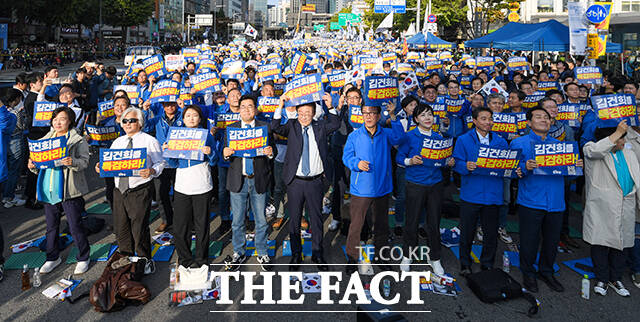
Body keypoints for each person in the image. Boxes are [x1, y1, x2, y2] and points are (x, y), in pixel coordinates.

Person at [510, 107, 583, 293]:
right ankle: (528, 272)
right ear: (528, 122)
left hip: (556, 202)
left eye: (547, 117)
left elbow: (568, 177)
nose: (544, 120)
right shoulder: (519, 142)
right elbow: (511, 172)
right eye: (539, 117)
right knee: (529, 240)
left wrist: (575, 167)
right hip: (531, 201)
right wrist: (524, 166)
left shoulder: (561, 145)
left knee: (551, 241)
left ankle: (546, 271)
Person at [271, 93, 340, 271]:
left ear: (313, 113)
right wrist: (280, 105)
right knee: (294, 219)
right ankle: (296, 254)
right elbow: (275, 126)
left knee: (316, 220)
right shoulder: (292, 126)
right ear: (297, 113)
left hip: (315, 181)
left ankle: (318, 253)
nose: (304, 117)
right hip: (295, 182)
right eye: (301, 113)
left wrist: (330, 106)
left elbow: (336, 124)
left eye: (308, 113)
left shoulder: (320, 126)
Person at [96, 107, 166, 274]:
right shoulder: (118, 142)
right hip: (119, 190)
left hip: (139, 188)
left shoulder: (150, 141)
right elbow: (108, 164)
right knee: (121, 227)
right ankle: (125, 257)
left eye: (131, 120)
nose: (127, 124)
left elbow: (160, 163)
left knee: (139, 226)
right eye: (124, 121)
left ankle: (145, 259)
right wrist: (99, 166)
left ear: (140, 123)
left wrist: (152, 171)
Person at [27, 107, 91, 274]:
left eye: (62, 118)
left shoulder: (78, 140)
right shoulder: (44, 141)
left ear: (70, 121)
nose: (58, 122)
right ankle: (52, 257)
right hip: (49, 189)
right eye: (55, 119)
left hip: (70, 190)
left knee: (74, 225)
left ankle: (83, 257)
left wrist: (72, 162)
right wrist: (32, 165)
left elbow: (84, 162)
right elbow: (39, 166)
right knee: (51, 226)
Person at [342, 104, 403, 275]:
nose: (368, 116)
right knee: (356, 225)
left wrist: (393, 115)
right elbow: (346, 157)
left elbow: (400, 137)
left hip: (382, 188)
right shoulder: (354, 136)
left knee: (381, 226)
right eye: (365, 113)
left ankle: (381, 257)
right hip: (360, 189)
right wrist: (356, 164)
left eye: (372, 113)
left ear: (378, 116)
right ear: (361, 115)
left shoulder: (386, 134)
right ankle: (352, 257)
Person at [396, 103, 453, 274]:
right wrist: (410, 161)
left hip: (435, 184)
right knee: (412, 222)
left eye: (429, 114)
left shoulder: (438, 136)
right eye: (422, 115)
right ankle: (408, 255)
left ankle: (434, 257)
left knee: (434, 223)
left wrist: (449, 161)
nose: (427, 118)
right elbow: (399, 158)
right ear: (415, 119)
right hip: (415, 184)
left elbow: (443, 159)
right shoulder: (409, 136)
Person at [453, 107, 511, 277]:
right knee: (467, 231)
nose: (488, 122)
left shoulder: (501, 141)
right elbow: (456, 162)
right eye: (484, 118)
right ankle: (465, 263)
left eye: (490, 119)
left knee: (491, 232)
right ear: (475, 121)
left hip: (493, 194)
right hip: (471, 193)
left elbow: (507, 165)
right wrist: (465, 166)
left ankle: (487, 263)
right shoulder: (464, 140)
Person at [583, 121, 638, 297]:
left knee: (623, 244)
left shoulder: (628, 153)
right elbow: (595, 151)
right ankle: (602, 278)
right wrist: (616, 134)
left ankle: (615, 278)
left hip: (627, 204)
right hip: (603, 206)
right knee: (600, 242)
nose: (624, 142)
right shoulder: (592, 148)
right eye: (622, 138)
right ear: (612, 138)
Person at [222, 95, 274, 272]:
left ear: (256, 109)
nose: (246, 110)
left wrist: (270, 152)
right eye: (243, 107)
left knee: (261, 220)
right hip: (238, 180)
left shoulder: (264, 127)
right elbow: (224, 153)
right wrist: (226, 153)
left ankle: (262, 251)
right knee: (237, 221)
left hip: (258, 179)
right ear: (239, 110)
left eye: (250, 106)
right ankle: (239, 251)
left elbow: (271, 154)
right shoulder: (231, 129)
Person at [164, 105, 217, 268]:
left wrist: (210, 152)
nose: (191, 118)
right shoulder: (175, 135)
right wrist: (167, 151)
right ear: (183, 119)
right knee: (181, 226)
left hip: (202, 183)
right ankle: (185, 259)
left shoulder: (206, 135)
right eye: (188, 116)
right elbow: (173, 163)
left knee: (202, 225)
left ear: (200, 119)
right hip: (182, 185)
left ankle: (202, 259)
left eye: (195, 115)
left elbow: (215, 160)